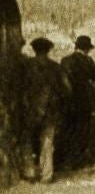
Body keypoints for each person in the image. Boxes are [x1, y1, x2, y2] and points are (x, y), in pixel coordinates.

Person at [23, 39, 68, 183]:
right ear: (48, 50)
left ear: (34, 49)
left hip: (29, 110)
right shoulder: (56, 67)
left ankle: (29, 171)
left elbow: (18, 89)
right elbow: (66, 89)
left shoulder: (26, 67)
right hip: (50, 111)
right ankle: (46, 175)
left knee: (27, 141)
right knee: (47, 143)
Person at [58, 35, 95, 170]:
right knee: (81, 131)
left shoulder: (65, 61)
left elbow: (62, 83)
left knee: (67, 130)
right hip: (84, 103)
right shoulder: (88, 62)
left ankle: (64, 160)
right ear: (87, 49)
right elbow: (92, 84)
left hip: (68, 102)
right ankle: (78, 161)